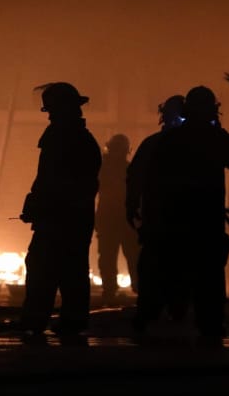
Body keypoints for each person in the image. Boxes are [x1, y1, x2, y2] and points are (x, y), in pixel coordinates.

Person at [143, 85, 229, 345]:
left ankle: (173, 318)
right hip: (207, 222)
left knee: (176, 273)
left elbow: (154, 181)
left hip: (175, 221)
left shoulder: (170, 140)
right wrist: (215, 129)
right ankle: (210, 325)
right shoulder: (213, 138)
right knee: (210, 279)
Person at [17, 82, 102, 339]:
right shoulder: (79, 138)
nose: (49, 113)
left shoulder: (62, 137)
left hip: (59, 217)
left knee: (43, 266)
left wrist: (38, 204)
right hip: (74, 217)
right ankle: (72, 321)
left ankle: (36, 319)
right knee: (71, 269)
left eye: (52, 108)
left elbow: (51, 179)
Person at [125, 94, 188, 334]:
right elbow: (135, 178)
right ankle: (165, 309)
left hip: (167, 220)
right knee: (163, 266)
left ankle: (155, 311)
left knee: (158, 266)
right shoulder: (193, 144)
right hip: (169, 220)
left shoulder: (155, 144)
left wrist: (131, 206)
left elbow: (134, 178)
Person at [95, 133, 139, 305]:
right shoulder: (129, 169)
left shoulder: (102, 168)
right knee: (132, 255)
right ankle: (137, 288)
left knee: (107, 256)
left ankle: (110, 290)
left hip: (108, 218)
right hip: (125, 220)